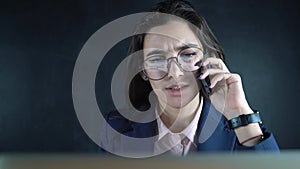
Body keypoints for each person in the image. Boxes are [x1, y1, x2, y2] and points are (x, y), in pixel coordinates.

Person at [100, 0, 279, 157]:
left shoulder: (240, 126)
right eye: (157, 59)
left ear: (210, 59)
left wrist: (238, 112)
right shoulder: (117, 128)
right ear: (143, 70)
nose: (174, 73)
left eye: (188, 54)